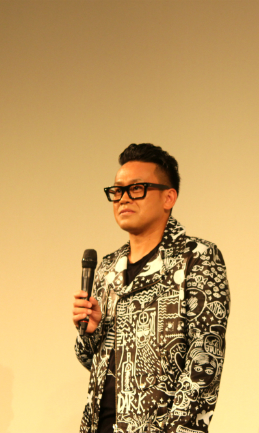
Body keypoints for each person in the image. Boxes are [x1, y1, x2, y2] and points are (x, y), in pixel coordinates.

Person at [72, 143, 230, 433]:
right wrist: (90, 333)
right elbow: (89, 360)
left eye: (136, 188)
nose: (123, 198)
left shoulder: (195, 257)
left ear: (169, 197)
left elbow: (205, 358)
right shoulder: (108, 268)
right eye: (117, 190)